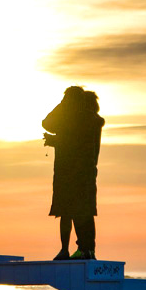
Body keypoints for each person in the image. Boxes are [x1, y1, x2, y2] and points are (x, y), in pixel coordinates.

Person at [42, 86, 104, 260]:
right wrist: (56, 140)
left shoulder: (75, 119)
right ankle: (86, 250)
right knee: (83, 212)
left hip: (69, 173)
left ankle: (72, 250)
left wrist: (61, 106)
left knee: (71, 212)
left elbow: (47, 123)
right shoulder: (87, 120)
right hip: (85, 173)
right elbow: (72, 142)